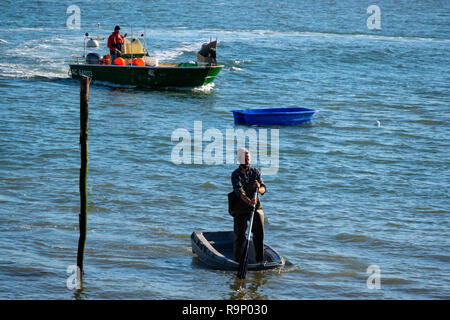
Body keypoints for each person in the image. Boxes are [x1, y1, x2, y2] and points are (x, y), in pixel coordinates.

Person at [231, 147, 267, 264]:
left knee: (259, 234)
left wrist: (258, 188)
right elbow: (238, 191)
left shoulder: (255, 172)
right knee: (240, 236)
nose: (247, 161)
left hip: (255, 207)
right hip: (240, 207)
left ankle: (259, 261)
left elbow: (263, 189)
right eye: (245, 159)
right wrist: (248, 201)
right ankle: (237, 262)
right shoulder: (235, 175)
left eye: (248, 159)